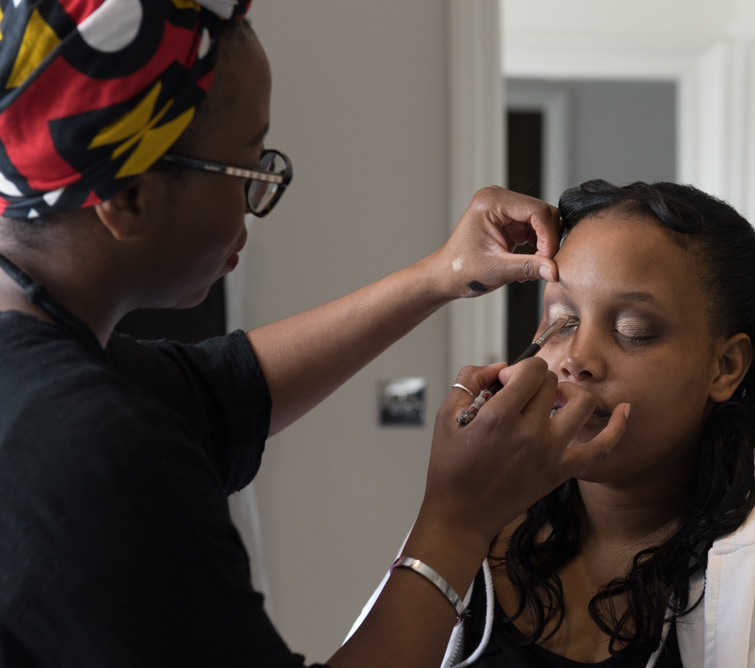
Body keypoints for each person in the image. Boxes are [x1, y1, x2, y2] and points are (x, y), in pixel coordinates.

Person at [0, 3, 628, 667]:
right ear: (127, 197)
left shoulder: (38, 364)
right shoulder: (91, 447)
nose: (255, 200)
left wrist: (439, 276)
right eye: (248, 169)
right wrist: (458, 519)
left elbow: (224, 391)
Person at [354, 179, 755, 666]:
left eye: (634, 330)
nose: (575, 358)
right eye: (562, 320)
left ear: (725, 366)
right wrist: (452, 520)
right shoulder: (478, 508)